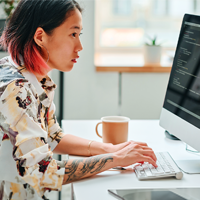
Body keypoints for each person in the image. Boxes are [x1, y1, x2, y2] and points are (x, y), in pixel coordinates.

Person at [0, 0, 157, 199]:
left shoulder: (32, 78)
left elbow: (53, 136)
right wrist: (115, 158)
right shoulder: (15, 89)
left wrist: (109, 148)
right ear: (41, 37)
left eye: (79, 34)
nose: (80, 46)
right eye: (73, 34)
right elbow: (41, 173)